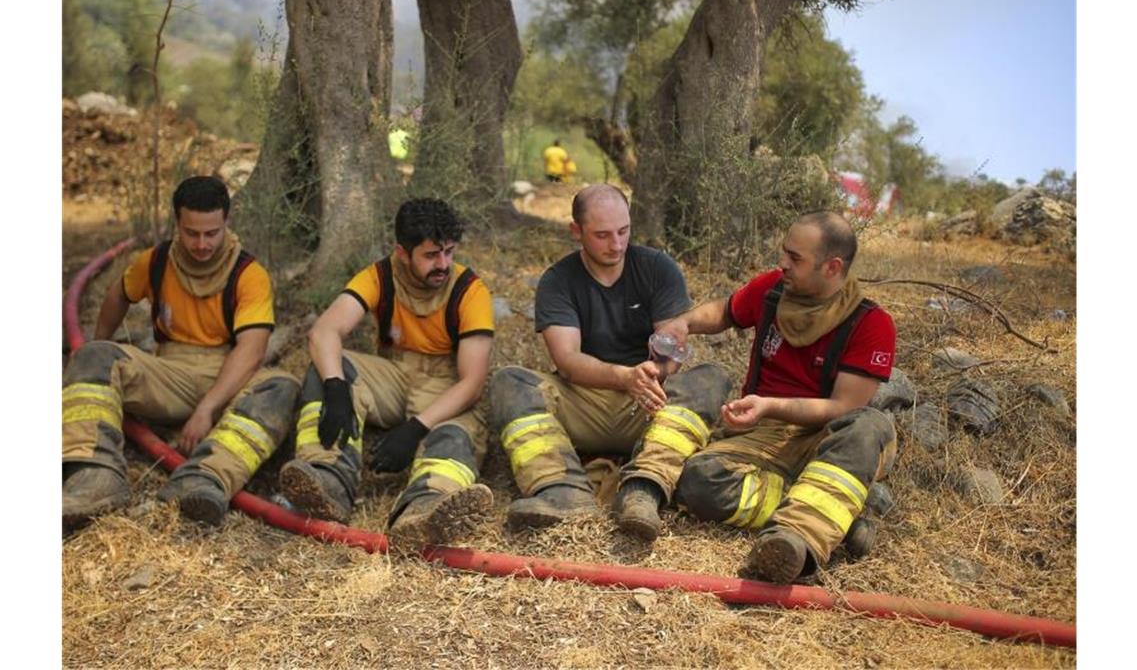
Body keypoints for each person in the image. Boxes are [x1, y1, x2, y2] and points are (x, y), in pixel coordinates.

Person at [489, 184, 731, 542]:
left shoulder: (657, 267)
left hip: (650, 402)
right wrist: (623, 377)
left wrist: (657, 371)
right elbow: (567, 360)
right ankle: (560, 488)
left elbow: (671, 342)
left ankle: (644, 488)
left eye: (623, 231)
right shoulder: (558, 280)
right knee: (509, 381)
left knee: (711, 378)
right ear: (576, 232)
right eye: (602, 235)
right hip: (585, 398)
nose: (616, 245)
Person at [667, 211, 897, 584]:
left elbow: (843, 408)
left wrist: (769, 404)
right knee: (697, 480)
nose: (782, 264)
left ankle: (797, 543)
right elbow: (725, 311)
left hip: (825, 438)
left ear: (832, 267)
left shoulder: (872, 325)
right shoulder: (773, 290)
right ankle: (834, 515)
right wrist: (685, 323)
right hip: (763, 433)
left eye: (795, 258)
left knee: (869, 425)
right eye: (784, 253)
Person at [62, 176, 300, 529]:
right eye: (192, 233)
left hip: (229, 375)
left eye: (211, 233)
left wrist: (207, 408)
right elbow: (118, 294)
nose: (202, 244)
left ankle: (202, 478)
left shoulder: (249, 275)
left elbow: (251, 351)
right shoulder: (156, 262)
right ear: (178, 224)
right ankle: (93, 476)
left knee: (283, 388)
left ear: (226, 223)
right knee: (95, 356)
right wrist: (98, 342)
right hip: (170, 372)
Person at [278, 198, 495, 548]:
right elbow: (323, 333)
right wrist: (335, 387)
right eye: (430, 255)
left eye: (449, 252)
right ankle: (327, 479)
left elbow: (471, 383)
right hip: (394, 374)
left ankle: (425, 508)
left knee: (453, 436)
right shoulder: (380, 275)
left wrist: (416, 428)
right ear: (402, 253)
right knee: (329, 366)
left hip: (446, 389)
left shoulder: (471, 291)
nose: (443, 264)